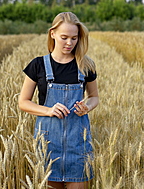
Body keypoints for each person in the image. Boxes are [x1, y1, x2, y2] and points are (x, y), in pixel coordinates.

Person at [18, 12, 99, 189]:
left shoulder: (86, 66)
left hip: (78, 145)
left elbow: (94, 97)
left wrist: (87, 106)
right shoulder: (38, 65)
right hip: (48, 145)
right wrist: (47, 110)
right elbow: (23, 102)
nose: (69, 43)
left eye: (74, 38)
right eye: (64, 37)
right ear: (52, 33)